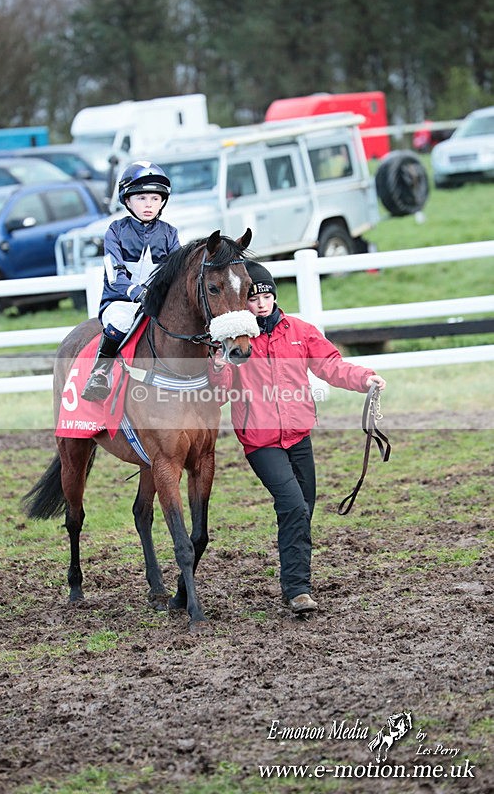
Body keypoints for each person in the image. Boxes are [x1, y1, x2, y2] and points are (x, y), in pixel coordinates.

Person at [210, 261, 386, 615]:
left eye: (266, 295)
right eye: (253, 298)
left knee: (303, 510)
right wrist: (218, 367)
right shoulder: (238, 342)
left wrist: (365, 378)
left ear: (275, 296)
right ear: (243, 302)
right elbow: (221, 391)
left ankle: (296, 582)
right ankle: (298, 590)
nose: (261, 303)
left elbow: (330, 366)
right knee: (292, 505)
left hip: (298, 436)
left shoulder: (300, 331)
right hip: (261, 442)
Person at [81, 161, 180, 401]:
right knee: (120, 321)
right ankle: (100, 374)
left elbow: (177, 271)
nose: (149, 204)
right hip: (121, 301)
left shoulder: (170, 233)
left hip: (157, 303)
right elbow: (115, 277)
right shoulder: (115, 231)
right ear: (127, 200)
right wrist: (138, 292)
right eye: (142, 198)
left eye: (155, 199)